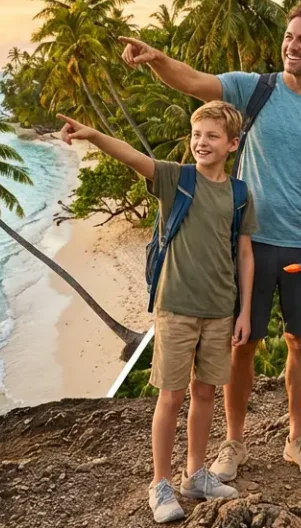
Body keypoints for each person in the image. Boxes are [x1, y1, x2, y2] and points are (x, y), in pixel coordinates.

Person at [118, 5, 301, 481]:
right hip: (248, 240)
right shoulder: (256, 88)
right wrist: (157, 58)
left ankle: (297, 439)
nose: (292, 46)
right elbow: (194, 83)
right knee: (241, 345)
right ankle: (233, 443)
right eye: (289, 37)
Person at [56, 102, 257, 524]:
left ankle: (195, 475)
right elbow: (131, 155)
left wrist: (245, 311)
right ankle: (160, 482)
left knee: (205, 393)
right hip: (176, 307)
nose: (201, 143)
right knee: (171, 395)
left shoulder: (239, 194)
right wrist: (92, 135)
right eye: (197, 135)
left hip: (220, 309)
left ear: (232, 144)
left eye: (212, 136)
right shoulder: (175, 178)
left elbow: (243, 252)